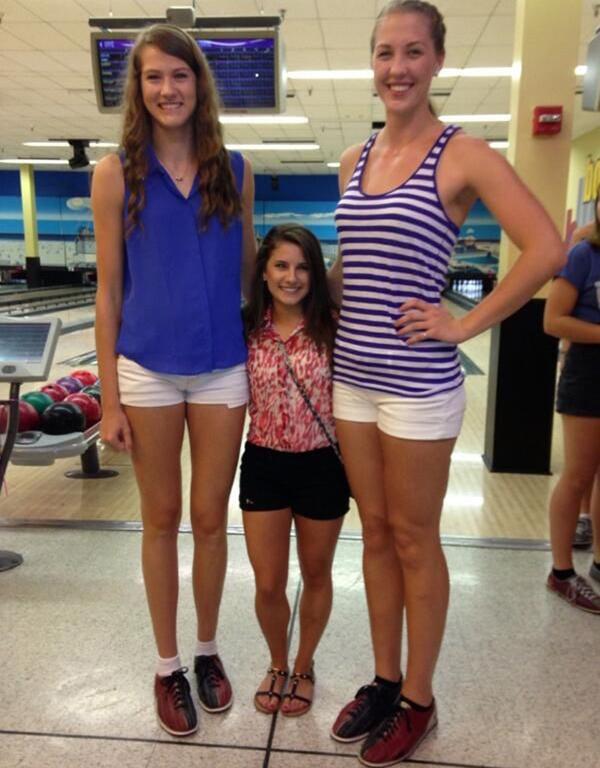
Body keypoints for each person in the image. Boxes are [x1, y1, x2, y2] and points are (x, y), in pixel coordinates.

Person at [326, 2, 565, 765]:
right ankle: (384, 679)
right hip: (352, 379)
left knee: (414, 538)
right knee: (373, 533)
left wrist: (465, 325)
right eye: (385, 53)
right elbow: (353, 266)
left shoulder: (462, 154)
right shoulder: (354, 159)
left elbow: (546, 248)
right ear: (373, 62)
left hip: (417, 387)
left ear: (436, 61)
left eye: (412, 52)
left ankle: (419, 698)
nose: (397, 67)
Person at [92, 24, 255, 737]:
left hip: (222, 370)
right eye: (154, 77)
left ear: (198, 84)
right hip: (147, 371)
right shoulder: (114, 174)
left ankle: (208, 650)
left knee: (211, 518)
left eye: (180, 76)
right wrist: (108, 397)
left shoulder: (235, 170)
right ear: (139, 88)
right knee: (161, 518)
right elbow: (107, 292)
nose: (168, 89)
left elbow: (249, 274)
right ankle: (167, 666)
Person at [240, 225, 350, 716]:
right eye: (281, 265)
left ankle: (304, 666)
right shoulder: (246, 328)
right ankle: (277, 662)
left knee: (316, 572)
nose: (292, 277)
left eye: (303, 266)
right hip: (264, 462)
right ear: (264, 272)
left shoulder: (334, 326)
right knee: (268, 582)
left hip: (322, 465)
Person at [544, 199, 600, 613]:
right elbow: (553, 320)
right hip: (589, 375)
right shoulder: (584, 255)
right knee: (578, 475)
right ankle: (561, 572)